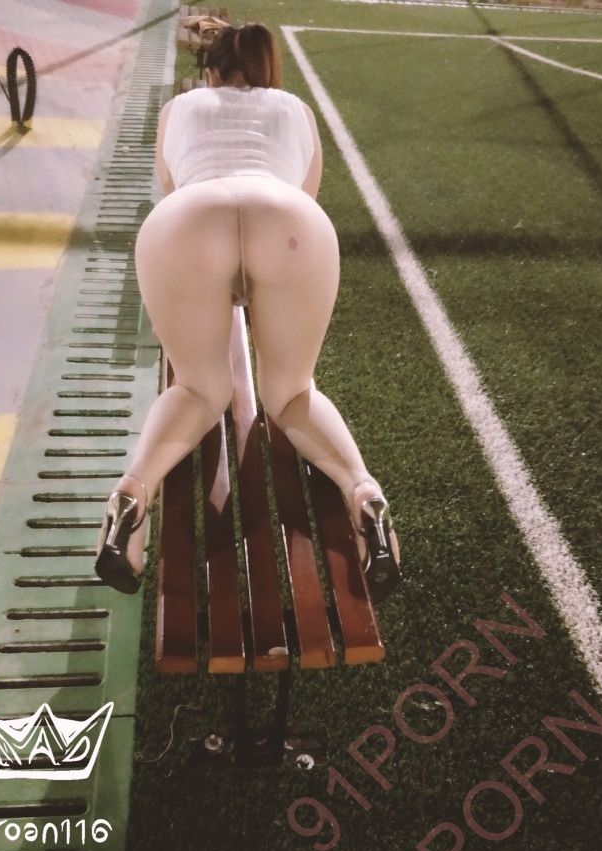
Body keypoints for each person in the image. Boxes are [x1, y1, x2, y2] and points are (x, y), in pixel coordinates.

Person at [95, 22, 401, 599]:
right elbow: (305, 194)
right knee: (290, 391)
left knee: (199, 389)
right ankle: (363, 493)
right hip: (289, 219)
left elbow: (171, 184)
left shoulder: (179, 107)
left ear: (211, 73)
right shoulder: (297, 109)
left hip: (187, 220)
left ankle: (132, 494)